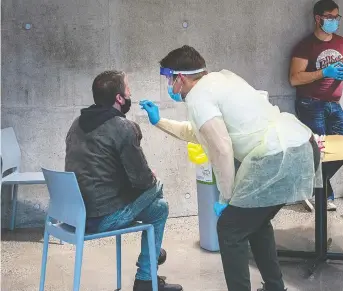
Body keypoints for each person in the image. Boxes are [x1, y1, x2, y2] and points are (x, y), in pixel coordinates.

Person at [140, 45, 320, 291]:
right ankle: (275, 287)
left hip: (277, 157)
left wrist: (227, 197)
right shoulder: (220, 80)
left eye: (170, 79)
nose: (170, 85)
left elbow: (222, 148)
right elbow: (199, 133)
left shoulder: (198, 98)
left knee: (230, 229)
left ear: (180, 77)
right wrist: (160, 121)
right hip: (300, 146)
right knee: (254, 223)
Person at [65, 70, 183, 291]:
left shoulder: (77, 123)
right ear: (119, 98)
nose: (130, 93)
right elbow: (143, 181)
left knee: (158, 206)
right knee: (158, 190)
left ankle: (150, 267)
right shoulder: (122, 127)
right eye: (128, 89)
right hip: (102, 217)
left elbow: (98, 169)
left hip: (75, 214)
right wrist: (151, 176)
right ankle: (147, 274)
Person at [289, 0, 343, 211]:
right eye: (329, 17)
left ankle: (311, 185)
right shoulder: (305, 45)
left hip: (333, 103)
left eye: (336, 18)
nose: (334, 21)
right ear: (317, 19)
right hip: (311, 103)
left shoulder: (341, 42)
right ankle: (321, 194)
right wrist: (323, 73)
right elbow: (294, 79)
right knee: (320, 150)